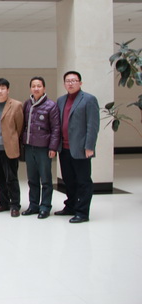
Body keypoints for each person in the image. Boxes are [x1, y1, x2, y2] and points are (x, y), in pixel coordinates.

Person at [56, 71, 100, 223]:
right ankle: (71, 206)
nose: (71, 83)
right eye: (68, 81)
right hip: (64, 148)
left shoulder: (89, 99)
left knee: (83, 181)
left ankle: (82, 212)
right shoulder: (61, 100)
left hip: (81, 148)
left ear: (80, 83)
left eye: (74, 80)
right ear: (64, 84)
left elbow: (93, 125)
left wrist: (90, 146)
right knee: (68, 180)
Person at [21, 76, 60, 219]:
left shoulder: (51, 105)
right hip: (29, 147)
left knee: (46, 179)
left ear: (44, 88)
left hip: (43, 148)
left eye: (39, 86)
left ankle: (45, 207)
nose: (36, 88)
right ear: (30, 88)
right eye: (33, 86)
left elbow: (56, 128)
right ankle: (33, 205)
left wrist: (53, 148)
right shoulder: (27, 104)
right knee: (32, 179)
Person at [0, 78, 24, 217]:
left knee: (11, 178)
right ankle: (3, 203)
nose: (0, 91)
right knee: (0, 178)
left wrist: (11, 140)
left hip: (9, 148)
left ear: (8, 90)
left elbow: (19, 127)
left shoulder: (16, 105)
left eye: (3, 88)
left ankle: (15, 205)